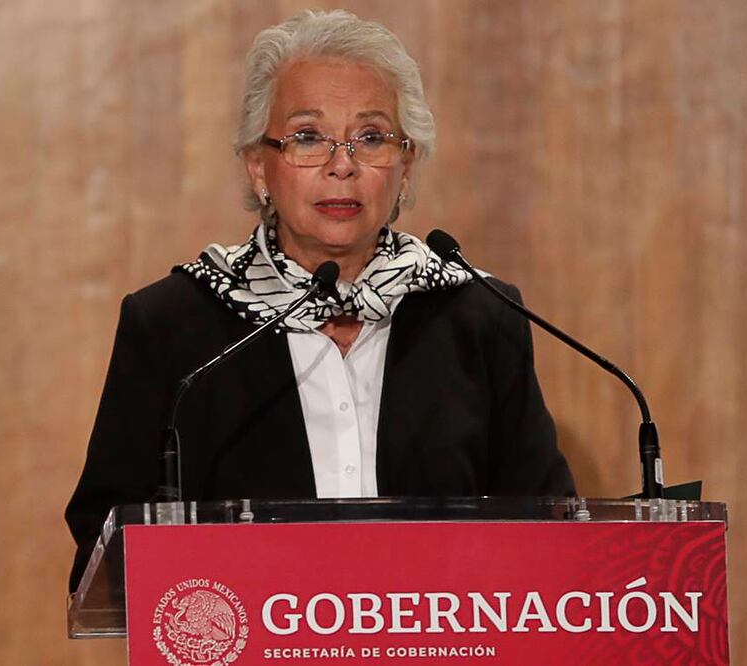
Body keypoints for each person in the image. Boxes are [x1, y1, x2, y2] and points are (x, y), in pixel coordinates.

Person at [65, 9, 574, 592]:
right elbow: (105, 534)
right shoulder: (175, 326)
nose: (342, 165)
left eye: (372, 138)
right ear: (260, 167)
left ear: (404, 168)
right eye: (308, 137)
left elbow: (547, 525)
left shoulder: (477, 315)